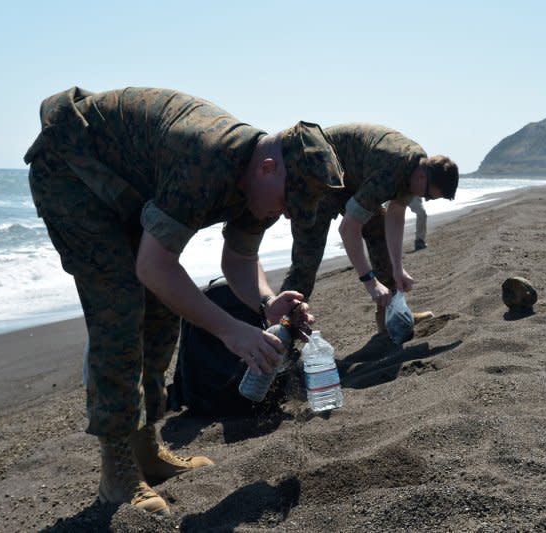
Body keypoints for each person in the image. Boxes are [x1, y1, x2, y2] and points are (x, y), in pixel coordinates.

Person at [23, 86, 344, 515]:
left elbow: (241, 258)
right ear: (268, 168)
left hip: (127, 185)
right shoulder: (206, 158)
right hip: (70, 168)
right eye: (289, 202)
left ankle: (146, 448)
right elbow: (153, 268)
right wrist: (231, 331)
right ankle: (117, 473)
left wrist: (268, 304)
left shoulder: (261, 183)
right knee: (118, 309)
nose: (286, 214)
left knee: (160, 310)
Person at [280, 123, 458, 334]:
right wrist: (370, 281)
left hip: (351, 179)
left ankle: (391, 314)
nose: (423, 199)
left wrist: (398, 267)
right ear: (422, 177)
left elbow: (396, 213)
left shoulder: (418, 166)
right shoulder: (391, 171)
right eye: (427, 195)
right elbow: (348, 230)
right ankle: (281, 330)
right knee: (307, 260)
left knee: (378, 230)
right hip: (316, 176)